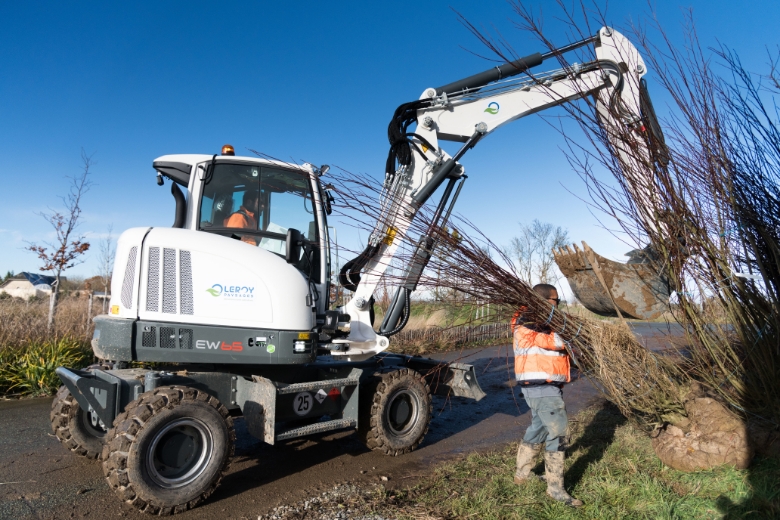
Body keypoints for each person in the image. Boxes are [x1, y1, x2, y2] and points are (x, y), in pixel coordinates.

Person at [512, 283, 583, 508]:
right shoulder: (530, 322)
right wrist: (575, 330)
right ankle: (555, 488)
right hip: (541, 386)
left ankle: (522, 474)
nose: (558, 304)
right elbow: (556, 342)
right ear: (544, 301)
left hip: (540, 386)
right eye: (556, 300)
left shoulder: (532, 319)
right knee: (559, 432)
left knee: (539, 427)